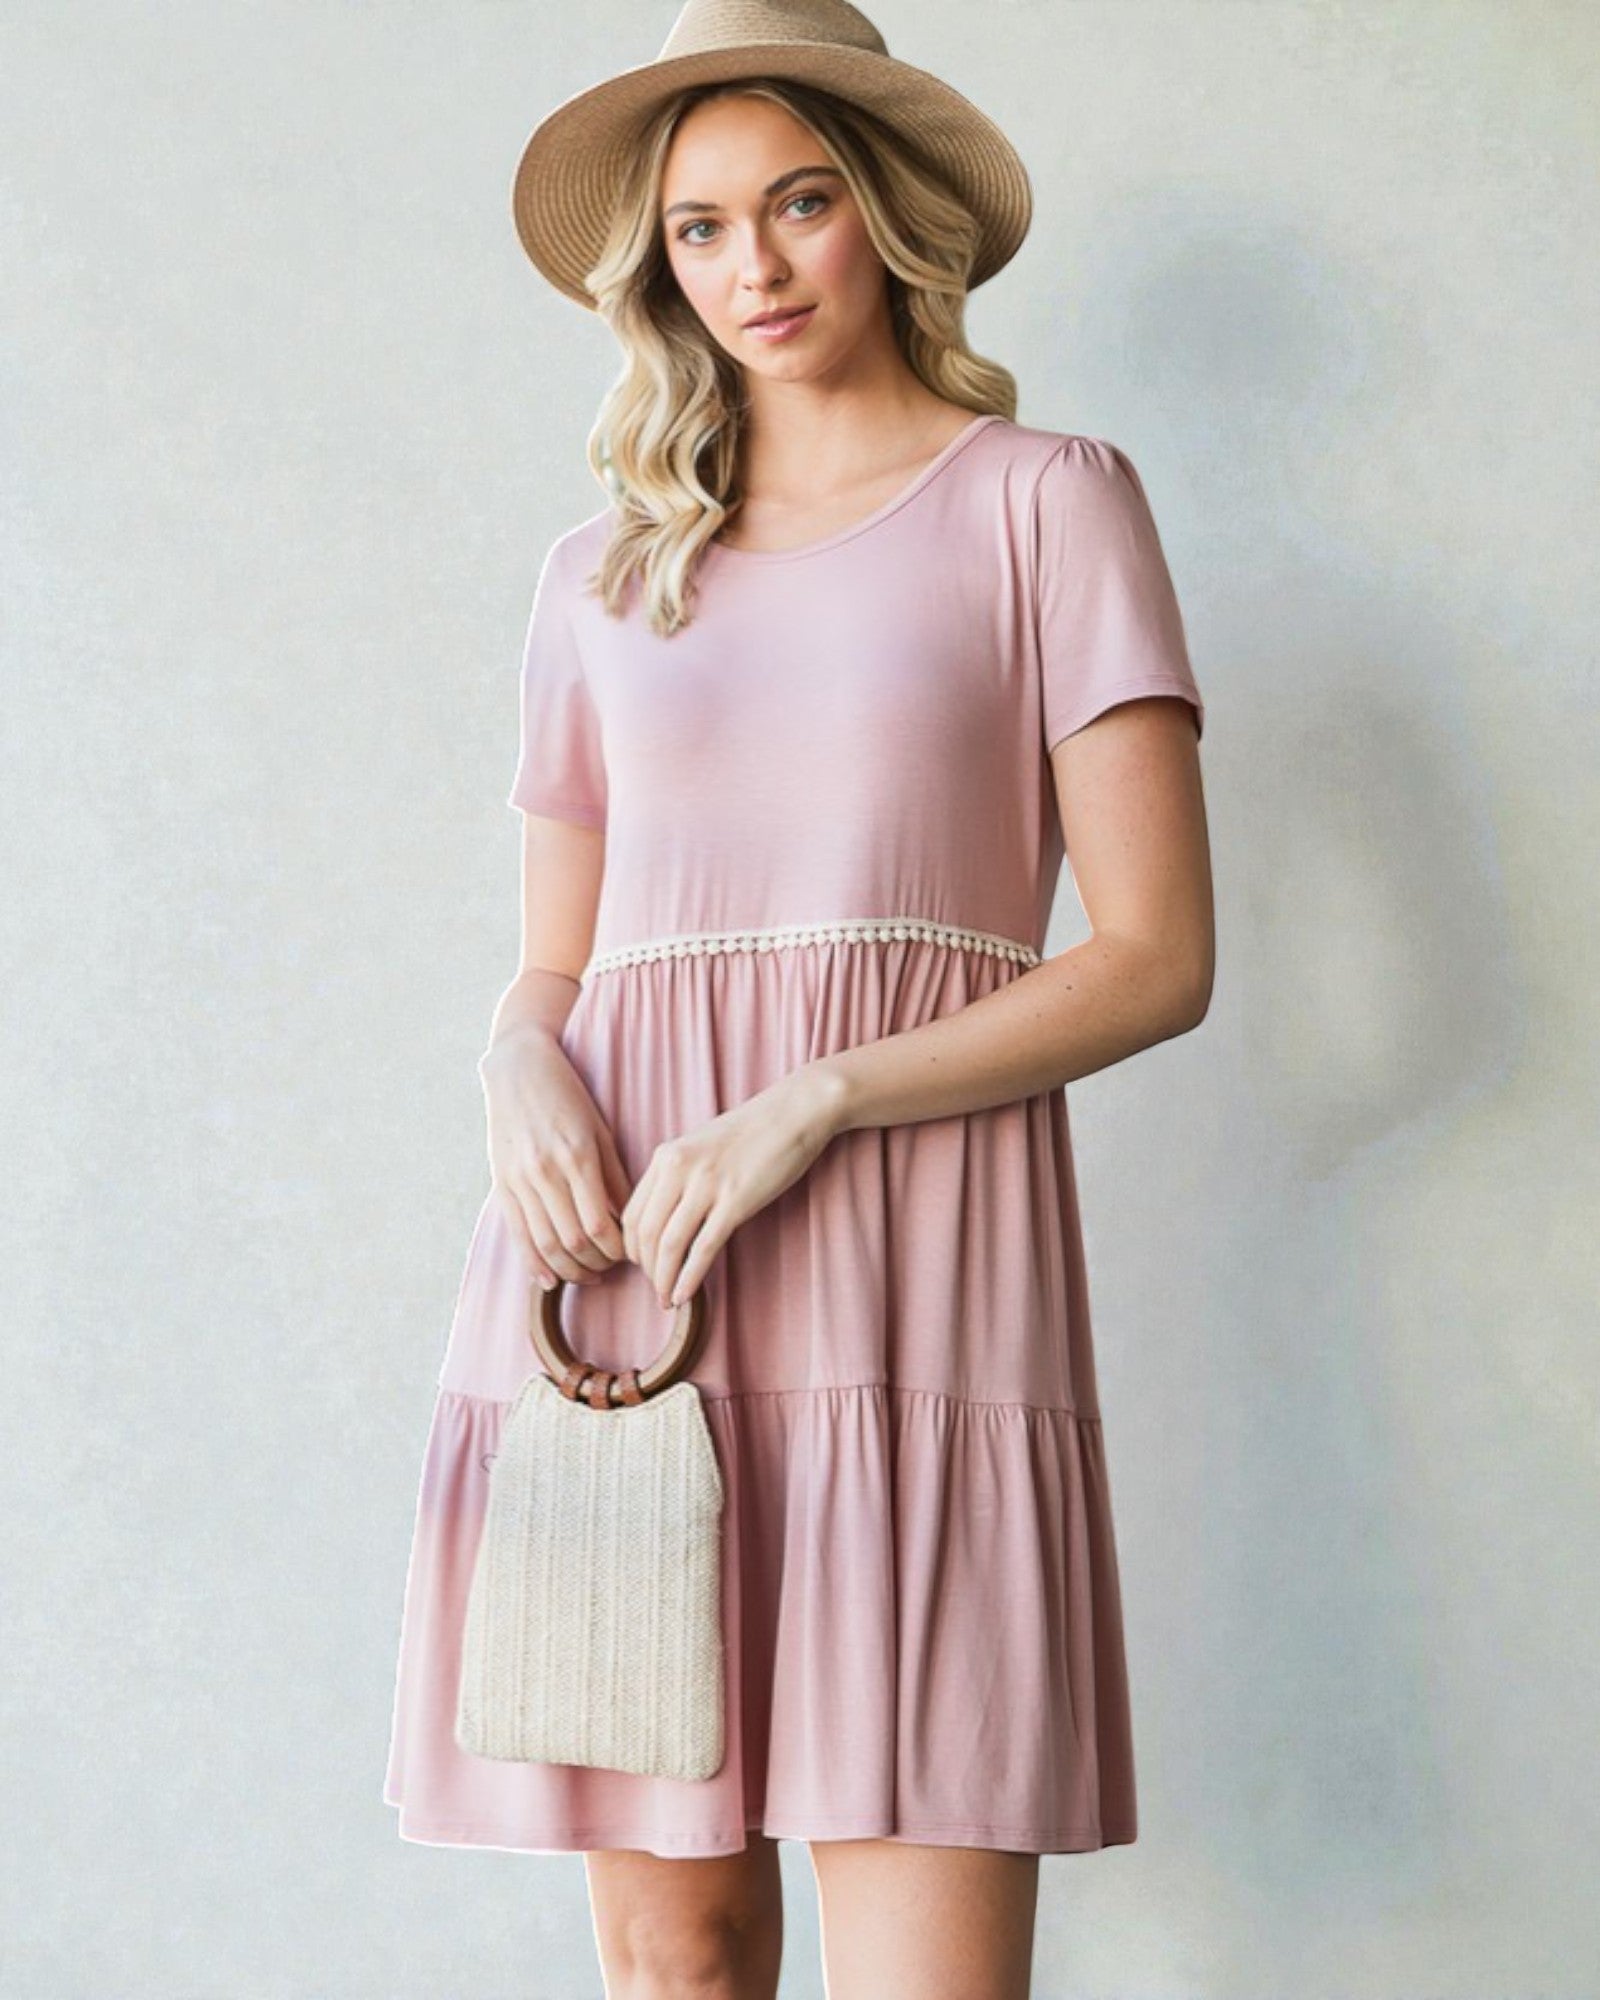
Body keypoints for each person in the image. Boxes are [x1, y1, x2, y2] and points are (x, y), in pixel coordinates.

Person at [383, 1, 1215, 1992]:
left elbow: (1155, 954)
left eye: (800, 203)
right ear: (650, 266)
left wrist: (819, 1097)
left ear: (890, 218)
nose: (750, 267)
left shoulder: (1046, 501)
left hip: (910, 1267)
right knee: (677, 1959)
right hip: (627, 1274)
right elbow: (558, 951)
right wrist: (513, 1053)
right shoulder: (601, 574)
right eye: (695, 227)